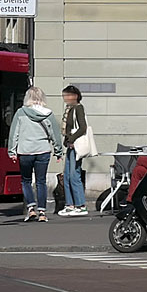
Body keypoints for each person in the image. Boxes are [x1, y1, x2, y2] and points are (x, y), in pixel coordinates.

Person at [8, 86, 60, 222]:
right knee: (41, 181)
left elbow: (14, 134)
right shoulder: (49, 114)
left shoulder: (20, 113)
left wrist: (12, 151)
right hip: (43, 150)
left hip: (25, 151)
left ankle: (31, 209)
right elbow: (55, 134)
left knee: (26, 181)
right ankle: (42, 212)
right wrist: (58, 151)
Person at [58, 85, 90, 217]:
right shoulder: (69, 109)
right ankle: (70, 204)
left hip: (75, 146)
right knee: (67, 175)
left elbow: (83, 127)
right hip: (70, 145)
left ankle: (80, 205)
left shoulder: (78, 108)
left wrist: (71, 139)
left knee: (74, 175)